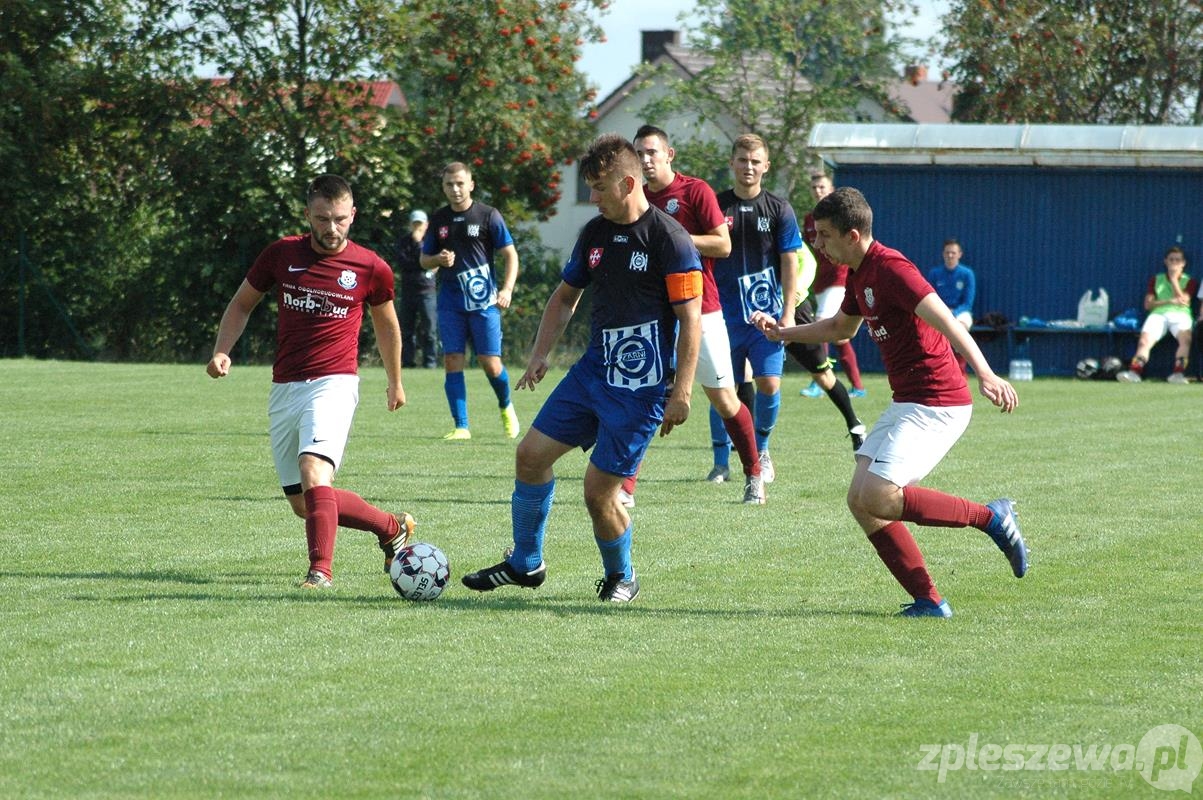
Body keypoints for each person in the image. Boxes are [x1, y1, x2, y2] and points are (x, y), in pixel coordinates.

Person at [751, 187, 1028, 618]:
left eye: (825, 235)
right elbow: (840, 329)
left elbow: (947, 320)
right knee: (860, 500)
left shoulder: (893, 269)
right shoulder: (859, 273)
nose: (818, 244)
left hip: (939, 402)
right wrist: (782, 334)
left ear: (853, 235)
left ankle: (991, 518)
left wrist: (985, 373)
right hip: (908, 402)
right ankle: (929, 600)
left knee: (879, 496)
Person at [460, 133, 703, 603]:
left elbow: (691, 320)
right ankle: (526, 564)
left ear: (628, 184)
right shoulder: (594, 233)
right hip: (592, 372)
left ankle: (622, 577)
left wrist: (683, 392)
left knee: (598, 492)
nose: (592, 198)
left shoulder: (670, 240)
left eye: (599, 187)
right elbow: (565, 297)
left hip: (641, 388)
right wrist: (540, 353)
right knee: (530, 456)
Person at [206, 174, 414, 589]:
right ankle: (390, 527)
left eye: (340, 219)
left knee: (315, 471)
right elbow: (242, 304)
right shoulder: (281, 254)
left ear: (353, 215)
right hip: (285, 386)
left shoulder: (371, 267)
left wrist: (396, 380)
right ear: (308, 215)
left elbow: (387, 326)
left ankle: (320, 573)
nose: (331, 228)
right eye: (322, 219)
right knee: (304, 503)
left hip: (335, 383)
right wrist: (222, 349)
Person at [626, 124, 765, 505]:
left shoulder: (694, 191)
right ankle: (625, 487)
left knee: (725, 400)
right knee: (643, 398)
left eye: (652, 152)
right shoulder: (635, 197)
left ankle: (754, 473)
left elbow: (723, 244)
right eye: (639, 153)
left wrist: (676, 240)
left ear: (669, 155)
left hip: (701, 310)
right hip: (654, 314)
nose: (645, 160)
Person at [710, 133, 804, 484]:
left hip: (766, 316)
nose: (748, 167)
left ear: (766, 166)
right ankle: (720, 462)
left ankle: (762, 451)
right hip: (723, 317)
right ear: (731, 163)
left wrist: (788, 313)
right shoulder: (715, 206)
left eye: (755, 161)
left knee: (768, 383)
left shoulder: (780, 209)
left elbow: (790, 261)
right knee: (723, 389)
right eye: (742, 160)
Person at [421, 162, 521, 439]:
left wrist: (507, 289)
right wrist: (437, 259)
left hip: (483, 302)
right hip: (450, 302)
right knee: (452, 359)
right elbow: (424, 259)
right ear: (443, 187)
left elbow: (510, 255)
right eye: (449, 184)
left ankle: (506, 405)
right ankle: (461, 426)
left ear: (471, 185)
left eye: (460, 183)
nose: (455, 189)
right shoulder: (439, 219)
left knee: (490, 363)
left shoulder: (488, 215)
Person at [783, 214, 868, 452]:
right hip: (754, 309)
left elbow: (808, 262)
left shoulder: (780, 224)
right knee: (748, 376)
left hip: (795, 309)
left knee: (824, 376)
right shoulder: (736, 230)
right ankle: (744, 443)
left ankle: (855, 425)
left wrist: (795, 294)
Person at [800, 173, 866, 399]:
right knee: (840, 337)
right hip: (819, 281)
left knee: (821, 324)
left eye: (822, 186)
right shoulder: (809, 219)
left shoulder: (840, 217)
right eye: (814, 187)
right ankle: (858, 386)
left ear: (831, 189)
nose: (818, 191)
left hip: (839, 278)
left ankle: (819, 381)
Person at [1117, 246, 1197, 383]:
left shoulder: (1190, 281)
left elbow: (1184, 301)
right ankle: (1134, 372)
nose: (1174, 263)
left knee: (1185, 339)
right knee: (1144, 340)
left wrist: (1174, 279)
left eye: (1177, 260)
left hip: (1181, 314)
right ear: (1165, 261)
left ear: (1183, 263)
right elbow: (1148, 304)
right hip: (1159, 314)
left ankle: (1178, 374)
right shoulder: (1156, 279)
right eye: (1171, 260)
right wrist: (1169, 301)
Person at [926, 238, 977, 372]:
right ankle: (935, 368)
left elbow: (967, 303)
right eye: (947, 252)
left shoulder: (967, 274)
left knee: (960, 328)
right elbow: (929, 298)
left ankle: (960, 369)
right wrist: (943, 311)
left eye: (953, 253)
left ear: (959, 254)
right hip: (939, 311)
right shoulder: (935, 273)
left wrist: (953, 313)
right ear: (943, 254)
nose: (950, 255)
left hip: (961, 312)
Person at [397, 209, 438, 368]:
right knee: (407, 331)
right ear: (410, 224)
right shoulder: (403, 242)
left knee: (429, 330)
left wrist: (420, 245)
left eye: (420, 224)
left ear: (426, 225)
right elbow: (404, 263)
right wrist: (417, 247)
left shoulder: (432, 242)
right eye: (415, 224)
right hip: (408, 291)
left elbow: (433, 262)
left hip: (427, 291)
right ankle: (408, 362)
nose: (417, 227)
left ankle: (430, 362)